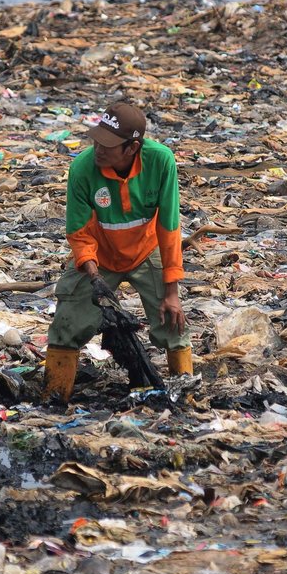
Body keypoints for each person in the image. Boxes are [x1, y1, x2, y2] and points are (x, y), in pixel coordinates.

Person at [43, 101, 192, 402]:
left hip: (146, 250)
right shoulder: (83, 169)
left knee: (173, 323)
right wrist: (92, 274)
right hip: (100, 257)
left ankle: (185, 394)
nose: (99, 148)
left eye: (108, 145)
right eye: (97, 140)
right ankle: (55, 395)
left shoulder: (161, 162)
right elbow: (79, 232)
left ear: (132, 147)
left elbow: (169, 227)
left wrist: (172, 291)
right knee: (67, 322)